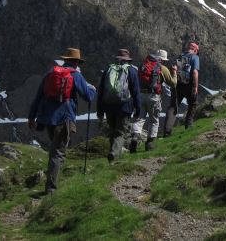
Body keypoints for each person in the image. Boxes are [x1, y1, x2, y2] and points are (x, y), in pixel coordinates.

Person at [28, 47, 96, 194]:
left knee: (55, 149)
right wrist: (92, 89)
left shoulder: (50, 73)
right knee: (58, 152)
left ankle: (54, 181)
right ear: (77, 62)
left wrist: (31, 117)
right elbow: (88, 96)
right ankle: (51, 189)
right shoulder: (75, 75)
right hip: (64, 118)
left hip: (48, 119)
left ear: (65, 60)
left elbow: (38, 96)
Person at [97, 49, 141, 162]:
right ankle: (114, 153)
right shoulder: (131, 71)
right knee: (120, 132)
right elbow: (136, 92)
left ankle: (113, 158)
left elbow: (101, 92)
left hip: (108, 106)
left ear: (117, 58)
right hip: (125, 107)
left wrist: (100, 112)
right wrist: (138, 111)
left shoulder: (108, 70)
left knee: (112, 131)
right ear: (128, 60)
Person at [130, 49, 177, 152]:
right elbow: (173, 83)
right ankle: (150, 143)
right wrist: (174, 73)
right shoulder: (162, 68)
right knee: (154, 120)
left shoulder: (143, 65)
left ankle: (135, 136)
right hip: (153, 96)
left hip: (140, 95)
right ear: (162, 59)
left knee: (139, 118)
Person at [164, 41, 200, 135]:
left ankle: (167, 131)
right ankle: (189, 125)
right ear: (195, 50)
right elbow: (195, 72)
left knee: (173, 107)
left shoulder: (180, 56)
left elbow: (173, 69)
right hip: (189, 85)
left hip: (178, 85)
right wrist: (195, 86)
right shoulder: (195, 57)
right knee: (192, 104)